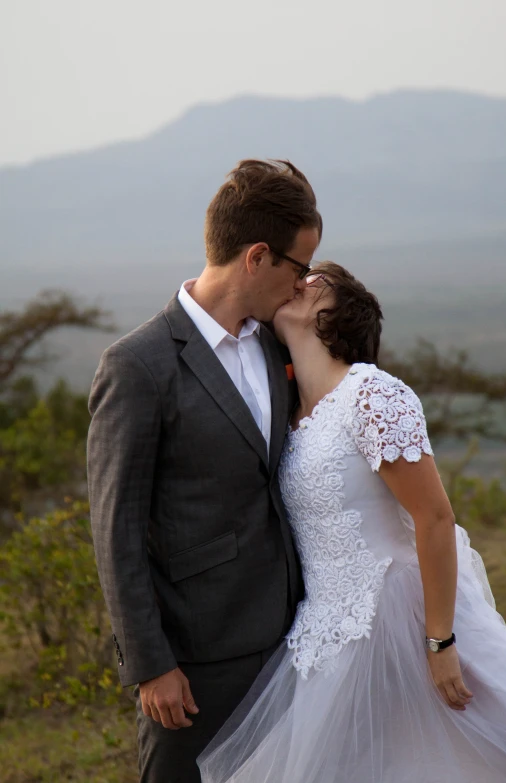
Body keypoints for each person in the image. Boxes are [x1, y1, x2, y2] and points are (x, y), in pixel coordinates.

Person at [197, 261, 506, 783]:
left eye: (315, 282)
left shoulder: (372, 395)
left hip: (401, 620)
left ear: (338, 316)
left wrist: (439, 642)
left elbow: (435, 518)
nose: (299, 282)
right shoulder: (290, 415)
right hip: (324, 634)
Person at [86, 159, 322, 783]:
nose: (302, 286)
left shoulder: (277, 343)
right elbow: (116, 533)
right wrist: (149, 663)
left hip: (292, 637)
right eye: (299, 268)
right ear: (257, 257)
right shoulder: (137, 366)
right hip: (195, 660)